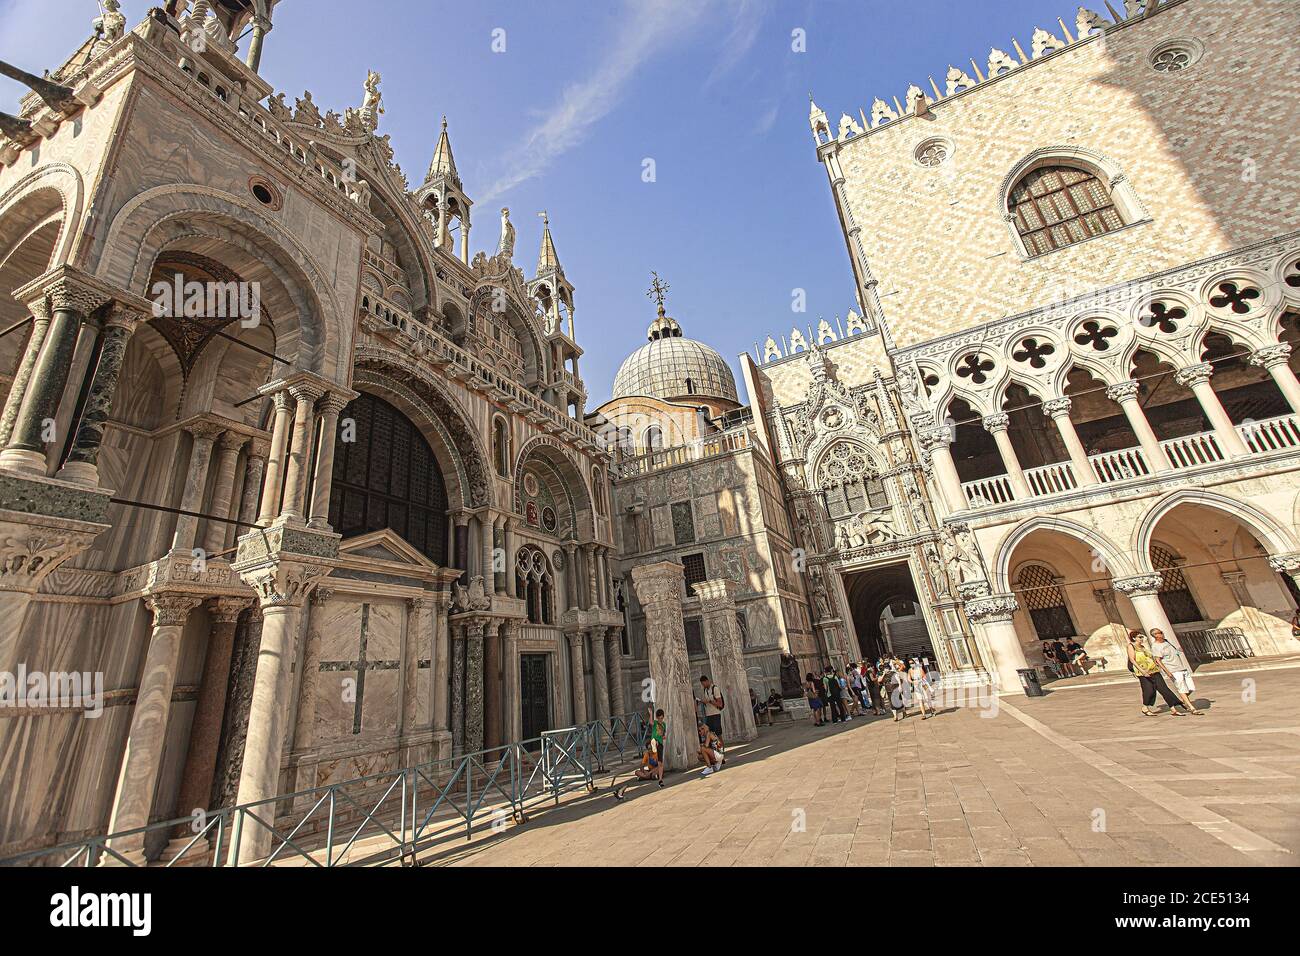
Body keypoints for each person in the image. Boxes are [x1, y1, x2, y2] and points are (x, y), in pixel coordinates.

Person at [1125, 630, 1188, 717]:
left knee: (1164, 689)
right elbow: (1132, 660)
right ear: (1134, 638)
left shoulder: (1143, 647)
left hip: (1154, 670)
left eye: (1142, 637)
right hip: (1143, 673)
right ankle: (1145, 708)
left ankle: (1173, 709)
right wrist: (1143, 671)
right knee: (1149, 691)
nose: (1142, 639)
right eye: (1140, 637)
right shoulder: (1131, 646)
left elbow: (1152, 657)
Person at [614, 707, 667, 800]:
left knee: (660, 764)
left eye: (661, 718)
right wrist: (650, 713)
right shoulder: (654, 723)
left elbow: (663, 735)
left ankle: (658, 779)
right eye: (658, 718)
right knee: (638, 772)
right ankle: (649, 776)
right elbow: (650, 722)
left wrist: (663, 737)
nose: (660, 720)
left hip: (659, 747)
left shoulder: (664, 725)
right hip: (655, 743)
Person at [1150, 629, 1203, 715]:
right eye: (1160, 633)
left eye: (1162, 632)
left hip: (1181, 667)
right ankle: (1191, 708)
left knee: (1190, 688)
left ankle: (1182, 701)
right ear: (1155, 635)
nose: (1162, 634)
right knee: (1181, 688)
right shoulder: (1155, 646)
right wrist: (1167, 671)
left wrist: (1178, 650)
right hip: (1172, 669)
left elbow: (1174, 652)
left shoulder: (1167, 642)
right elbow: (1158, 660)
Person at [696, 675, 725, 748]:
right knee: (709, 733)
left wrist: (709, 701)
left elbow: (720, 704)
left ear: (707, 681)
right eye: (702, 684)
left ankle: (722, 748)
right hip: (708, 715)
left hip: (715, 714)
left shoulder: (715, 689)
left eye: (703, 684)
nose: (703, 685)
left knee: (718, 733)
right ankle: (716, 748)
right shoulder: (705, 690)